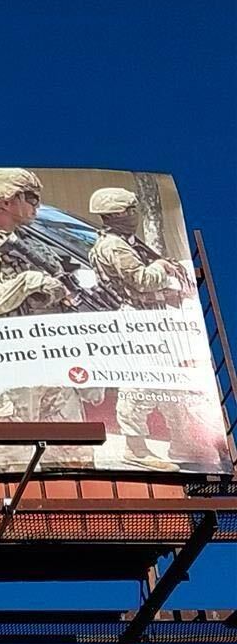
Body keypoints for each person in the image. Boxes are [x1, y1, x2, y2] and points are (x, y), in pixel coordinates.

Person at [0, 168, 94, 471]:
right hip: (1, 375)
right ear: (5, 200)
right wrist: (28, 282)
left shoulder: (30, 243)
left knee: (73, 464)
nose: (37, 205)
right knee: (10, 470)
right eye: (31, 198)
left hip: (48, 370)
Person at [88, 187, 197, 471]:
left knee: (170, 380)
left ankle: (182, 441)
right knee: (141, 383)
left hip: (152, 320)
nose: (133, 215)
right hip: (135, 322)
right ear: (114, 214)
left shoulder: (128, 242)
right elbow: (142, 280)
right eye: (129, 211)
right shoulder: (113, 246)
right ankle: (135, 447)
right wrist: (161, 267)